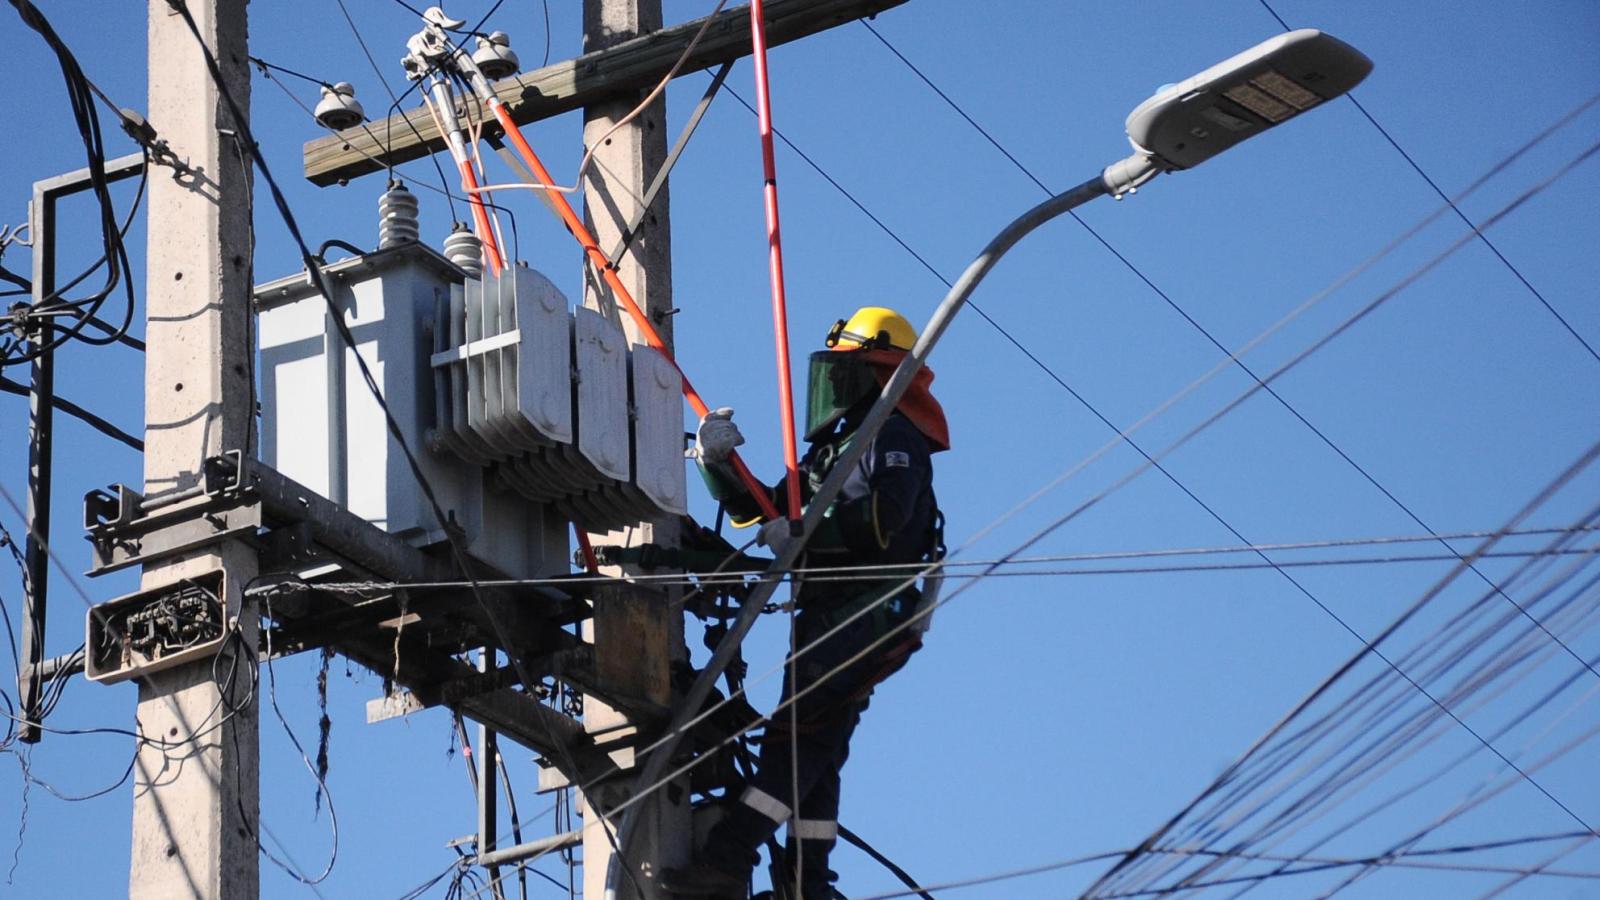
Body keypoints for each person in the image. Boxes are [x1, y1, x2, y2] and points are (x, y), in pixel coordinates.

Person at [664, 307, 949, 898]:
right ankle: (808, 884)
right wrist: (718, 466)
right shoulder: (834, 452)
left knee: (796, 741)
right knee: (816, 750)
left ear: (877, 369)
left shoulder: (892, 435)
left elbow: (883, 523)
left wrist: (803, 537)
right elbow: (761, 511)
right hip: (830, 619)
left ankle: (727, 860)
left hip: (865, 616)